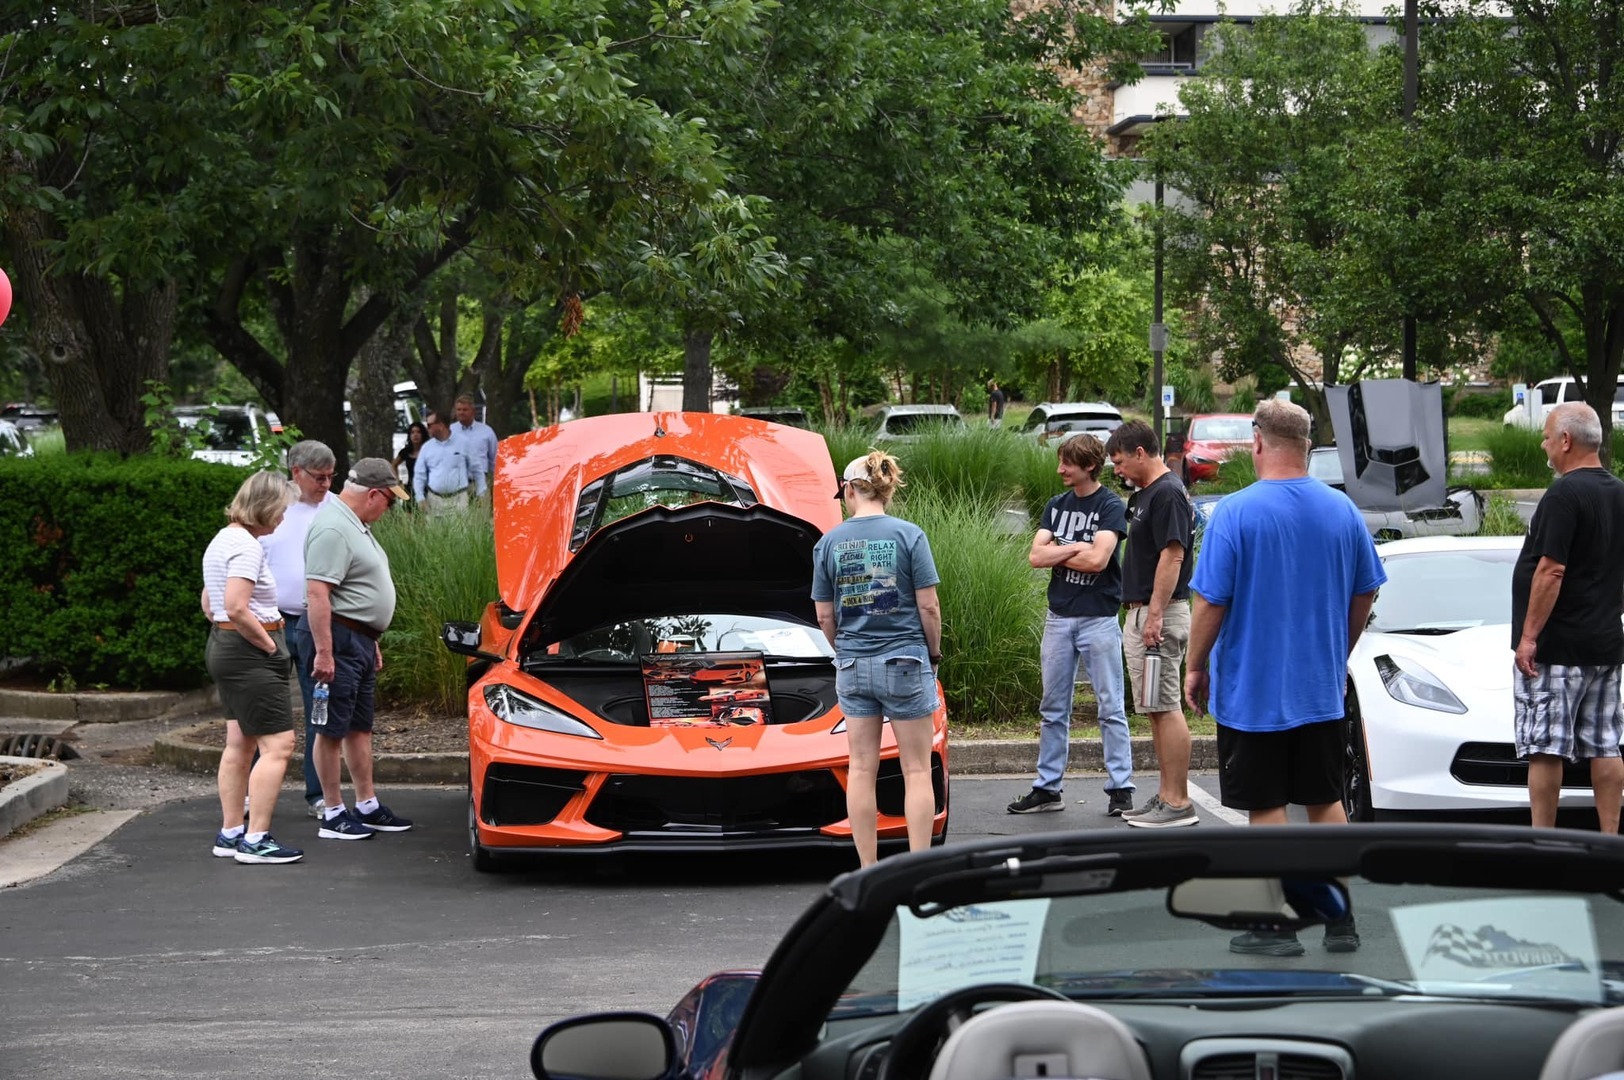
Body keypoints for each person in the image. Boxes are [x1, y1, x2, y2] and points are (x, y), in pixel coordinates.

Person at [1184, 400, 1385, 955]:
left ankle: (1275, 927)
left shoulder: (1235, 513)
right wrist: (1337, 649)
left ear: (1257, 442)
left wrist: (1195, 665)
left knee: (1267, 804)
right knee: (1325, 801)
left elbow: (1210, 602)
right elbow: (1366, 590)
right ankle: (1340, 921)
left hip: (1253, 689)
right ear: (1307, 447)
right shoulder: (1342, 510)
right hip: (1319, 688)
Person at [812, 451, 943, 867]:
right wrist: (933, 653)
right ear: (884, 490)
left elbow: (824, 616)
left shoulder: (828, 543)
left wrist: (845, 649)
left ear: (849, 490)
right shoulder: (910, 535)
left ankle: (868, 870)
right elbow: (929, 607)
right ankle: (917, 868)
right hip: (904, 660)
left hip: (853, 663)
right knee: (916, 769)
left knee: (861, 768)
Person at [1009, 433, 1135, 816]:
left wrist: (1059, 550)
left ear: (1090, 466)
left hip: (1099, 618)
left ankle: (1121, 789)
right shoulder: (1056, 505)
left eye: (1068, 463)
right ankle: (1048, 788)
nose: (1060, 469)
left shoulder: (1111, 506)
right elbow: (1035, 556)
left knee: (1110, 706)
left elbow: (1098, 562)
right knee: (1052, 708)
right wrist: (1078, 547)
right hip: (1058, 618)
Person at [1513, 402, 1624, 832]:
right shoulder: (1619, 492)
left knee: (1545, 747)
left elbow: (1551, 570)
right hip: (1605, 642)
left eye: (1546, 437)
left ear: (1565, 440)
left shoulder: (1563, 494)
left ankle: (1543, 842)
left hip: (1557, 647)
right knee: (1606, 744)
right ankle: (1611, 840)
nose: (1543, 445)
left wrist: (1529, 637)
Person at [295, 458, 415, 841]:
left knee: (359, 727)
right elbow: (317, 593)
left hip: (356, 639)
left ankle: (366, 804)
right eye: (389, 501)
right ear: (374, 494)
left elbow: (356, 588)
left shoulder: (354, 524)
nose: (389, 509)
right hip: (337, 638)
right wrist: (324, 652)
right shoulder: (333, 527)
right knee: (330, 728)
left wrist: (370, 638)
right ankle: (333, 813)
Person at [202, 470, 302, 864]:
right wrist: (270, 647)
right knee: (278, 745)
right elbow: (236, 606)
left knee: (239, 743)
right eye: (280, 509)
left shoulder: (222, 539)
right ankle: (256, 839)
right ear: (264, 506)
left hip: (225, 646)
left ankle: (231, 833)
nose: (282, 517)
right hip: (248, 650)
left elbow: (209, 603)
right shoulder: (247, 547)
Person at [1105, 419, 1198, 829]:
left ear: (1140, 452)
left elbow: (1173, 555)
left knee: (1166, 706)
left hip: (1159, 613)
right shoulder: (1146, 494)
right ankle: (1165, 795)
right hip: (1143, 613)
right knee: (1156, 709)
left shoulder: (1168, 493)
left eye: (1120, 461)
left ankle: (1178, 801)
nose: (1118, 470)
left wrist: (1155, 614)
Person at [259, 440, 337, 818]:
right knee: (263, 708)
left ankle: (318, 794)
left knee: (317, 709)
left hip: (313, 621)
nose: (325, 484)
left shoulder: (336, 507)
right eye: (319, 477)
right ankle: (254, 791)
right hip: (270, 621)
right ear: (296, 473)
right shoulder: (274, 506)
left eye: (330, 476)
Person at [414, 409, 486, 514]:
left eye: (429, 425)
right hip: (434, 500)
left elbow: (477, 470)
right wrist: (420, 498)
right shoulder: (427, 448)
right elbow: (419, 475)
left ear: (441, 425)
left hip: (459, 499)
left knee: (461, 525)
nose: (427, 428)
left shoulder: (463, 443)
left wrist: (481, 494)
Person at [453, 393, 498, 481]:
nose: (461, 412)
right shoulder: (450, 431)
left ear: (473, 411)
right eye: (459, 410)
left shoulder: (486, 431)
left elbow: (495, 459)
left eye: (465, 410)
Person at [393, 421, 428, 493]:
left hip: (428, 490)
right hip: (411, 490)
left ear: (423, 434)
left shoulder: (429, 451)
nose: (415, 435)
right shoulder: (406, 451)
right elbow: (394, 465)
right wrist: (398, 482)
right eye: (412, 432)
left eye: (418, 432)